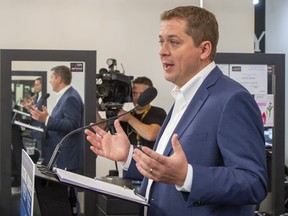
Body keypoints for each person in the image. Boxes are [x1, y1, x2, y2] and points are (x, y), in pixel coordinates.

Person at [85, 5, 268, 216]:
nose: (162, 50)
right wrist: (127, 156)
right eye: (161, 41)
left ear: (204, 49)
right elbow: (165, 172)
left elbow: (253, 183)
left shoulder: (232, 99)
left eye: (174, 42)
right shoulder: (182, 97)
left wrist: (188, 176)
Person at [30, 65, 84, 215]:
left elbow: (72, 124)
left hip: (66, 158)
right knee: (66, 197)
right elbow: (63, 121)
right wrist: (47, 118)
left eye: (52, 78)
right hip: (61, 156)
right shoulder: (66, 96)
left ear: (59, 79)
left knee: (69, 197)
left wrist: (47, 119)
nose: (50, 82)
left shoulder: (71, 97)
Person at [118, 77, 166, 180]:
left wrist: (129, 118)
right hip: (129, 167)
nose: (138, 97)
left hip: (151, 168)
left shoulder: (158, 112)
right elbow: (102, 127)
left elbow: (151, 135)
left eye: (142, 94)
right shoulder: (126, 115)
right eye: (135, 93)